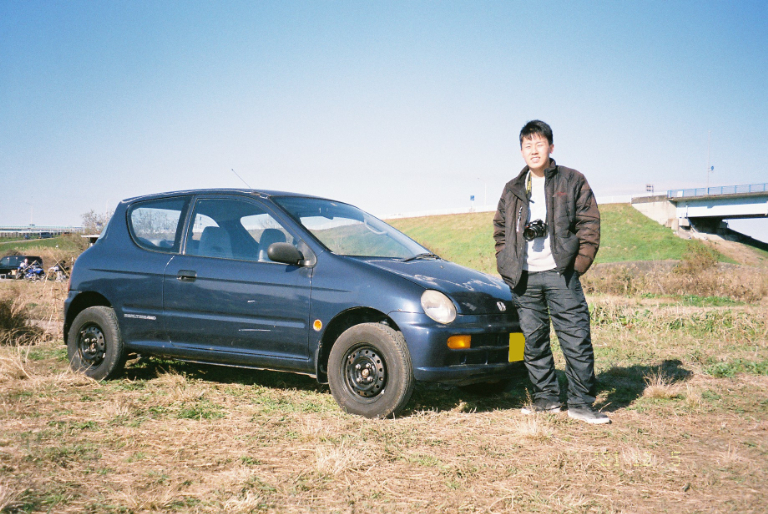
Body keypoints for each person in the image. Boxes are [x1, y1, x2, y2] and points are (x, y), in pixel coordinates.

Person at [493, 120, 609, 424]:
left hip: (562, 275)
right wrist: (506, 262)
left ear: (551, 147)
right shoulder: (513, 189)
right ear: (521, 151)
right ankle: (546, 400)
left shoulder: (572, 180)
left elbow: (590, 224)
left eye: (539, 144)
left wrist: (578, 264)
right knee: (532, 342)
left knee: (576, 339)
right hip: (524, 278)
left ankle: (581, 404)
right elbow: (500, 230)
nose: (534, 150)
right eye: (527, 145)